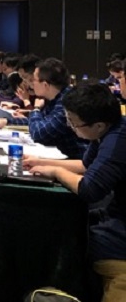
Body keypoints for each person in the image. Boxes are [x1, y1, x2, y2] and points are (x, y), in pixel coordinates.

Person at [24, 83, 126, 300]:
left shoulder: (118, 139)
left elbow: (89, 188)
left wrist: (56, 172)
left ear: (98, 125)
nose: (70, 127)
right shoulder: (107, 130)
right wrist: (40, 162)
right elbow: (87, 166)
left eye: (74, 122)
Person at [24, 58, 88, 159]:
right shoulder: (56, 97)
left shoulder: (67, 102)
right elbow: (41, 120)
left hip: (76, 159)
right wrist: (7, 120)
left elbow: (38, 133)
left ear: (45, 85)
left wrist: (36, 109)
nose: (31, 84)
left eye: (34, 80)